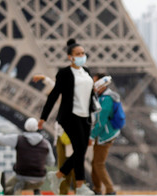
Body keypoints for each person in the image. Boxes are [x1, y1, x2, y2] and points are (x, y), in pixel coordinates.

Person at [39, 39, 97, 195]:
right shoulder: (64, 73)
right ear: (70, 57)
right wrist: (43, 117)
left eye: (83, 53)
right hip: (70, 116)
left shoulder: (87, 72)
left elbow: (90, 94)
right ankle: (80, 186)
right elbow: (54, 95)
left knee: (81, 150)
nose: (81, 56)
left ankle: (58, 176)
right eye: (78, 54)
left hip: (86, 115)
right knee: (79, 149)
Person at [32, 75, 75, 195]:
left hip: (69, 135)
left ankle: (67, 186)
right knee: (66, 163)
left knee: (70, 163)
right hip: (64, 135)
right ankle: (64, 189)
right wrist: (44, 78)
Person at [0, 118, 54, 195]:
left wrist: (0, 134)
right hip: (39, 179)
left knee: (5, 189)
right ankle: (36, 190)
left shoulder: (18, 139)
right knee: (37, 183)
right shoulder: (46, 143)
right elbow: (51, 163)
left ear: (26, 127)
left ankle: (16, 189)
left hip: (21, 177)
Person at [90, 74, 120, 195]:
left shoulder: (107, 99)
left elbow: (101, 121)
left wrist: (91, 136)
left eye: (95, 82)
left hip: (105, 135)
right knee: (94, 163)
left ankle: (110, 190)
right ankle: (97, 189)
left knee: (98, 163)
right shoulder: (100, 97)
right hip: (101, 134)